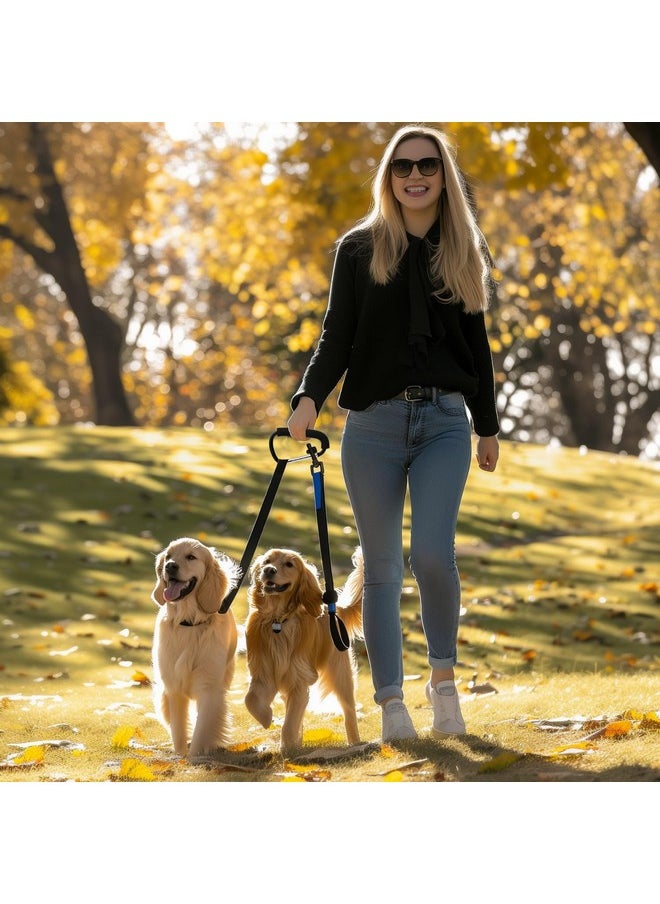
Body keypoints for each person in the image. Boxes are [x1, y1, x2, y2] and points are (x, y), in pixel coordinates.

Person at [287, 124, 500, 742]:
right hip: (373, 425)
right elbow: (336, 334)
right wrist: (307, 398)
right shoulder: (358, 249)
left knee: (434, 555)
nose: (415, 176)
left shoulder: (463, 247)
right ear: (389, 175)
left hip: (442, 423)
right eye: (402, 166)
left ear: (442, 175)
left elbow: (477, 347)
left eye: (427, 166)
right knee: (380, 568)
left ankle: (443, 684)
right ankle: (390, 705)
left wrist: (486, 425)